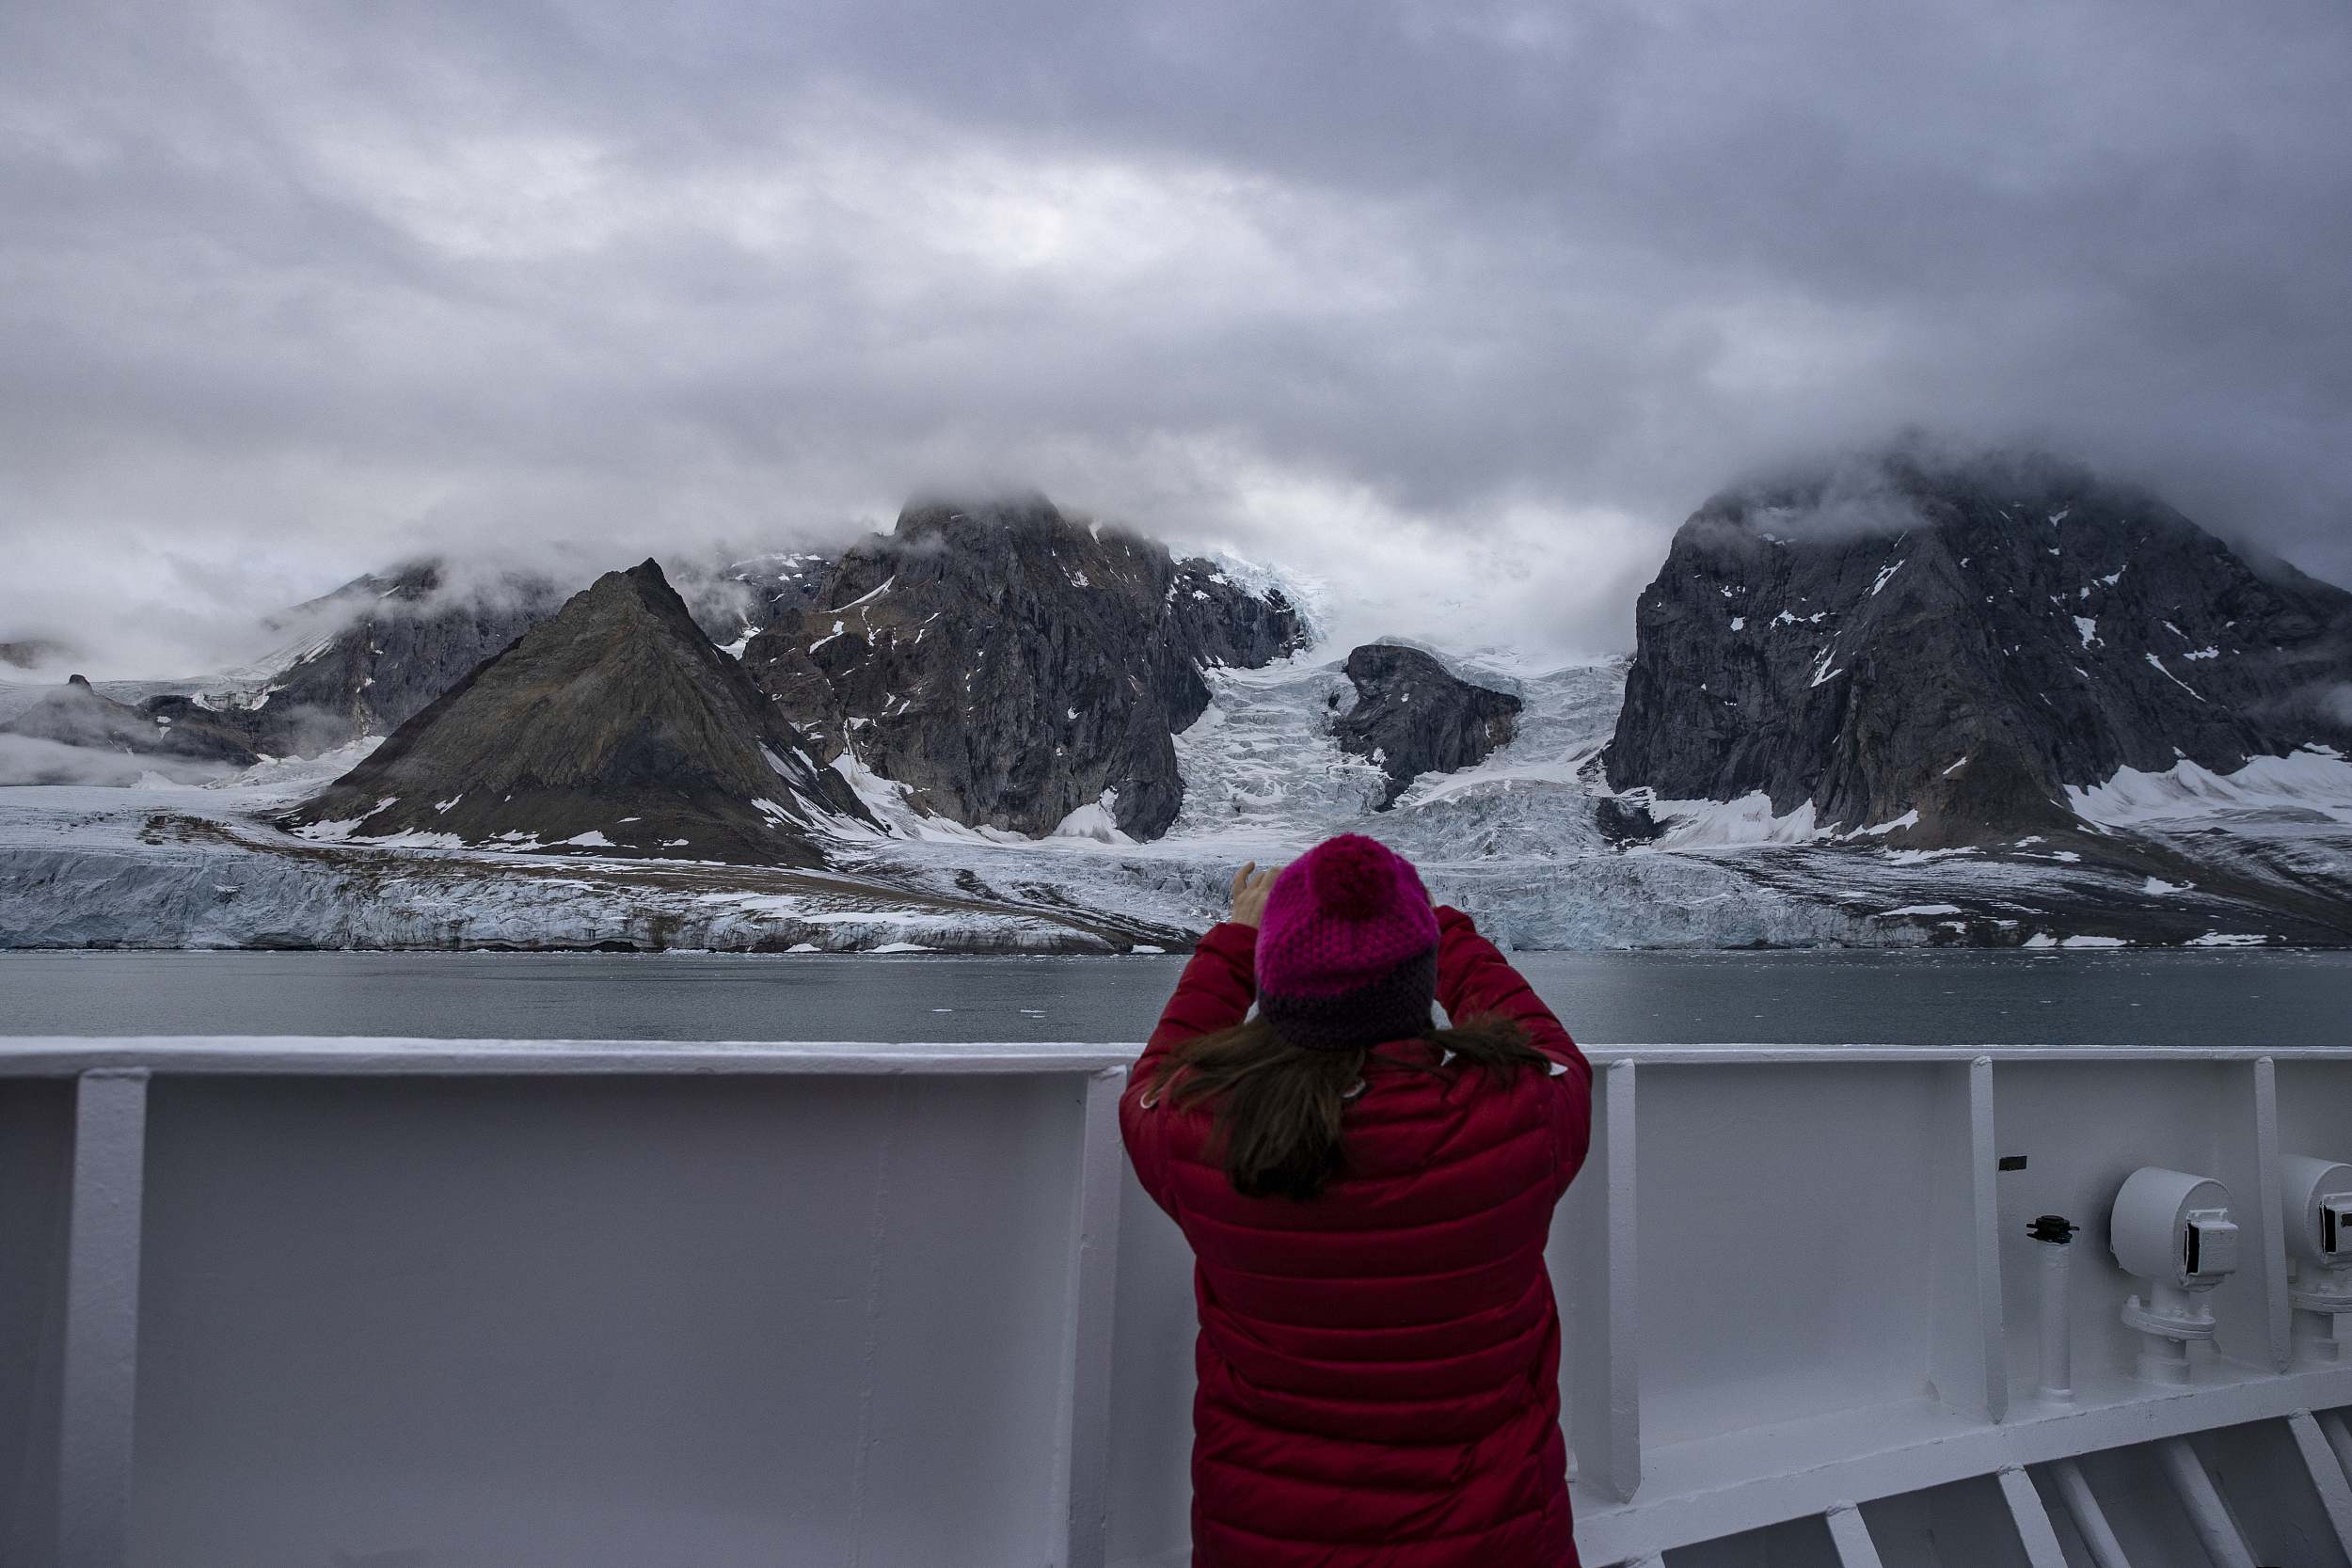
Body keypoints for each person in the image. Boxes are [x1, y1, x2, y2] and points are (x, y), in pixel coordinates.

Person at [1120, 832, 1594, 1568]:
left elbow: (1151, 1080)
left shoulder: (1204, 1136)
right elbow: (1554, 1052)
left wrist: (1234, 942)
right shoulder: (1523, 1119)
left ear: (1275, 983)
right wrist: (1436, 926)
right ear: (1419, 975)